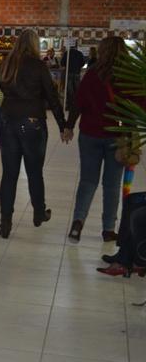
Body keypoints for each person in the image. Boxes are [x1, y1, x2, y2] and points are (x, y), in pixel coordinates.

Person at [0, 29, 69, 238]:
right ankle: (38, 212)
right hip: (32, 122)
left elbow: (1, 87)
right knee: (34, 171)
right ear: (35, 44)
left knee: (9, 174)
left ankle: (5, 222)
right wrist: (63, 124)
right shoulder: (39, 66)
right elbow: (52, 96)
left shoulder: (7, 63)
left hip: (7, 120)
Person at [65, 37, 129, 243]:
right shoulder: (128, 77)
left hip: (90, 134)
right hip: (116, 136)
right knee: (111, 185)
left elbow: (78, 102)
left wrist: (69, 126)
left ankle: (78, 222)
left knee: (88, 181)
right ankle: (109, 229)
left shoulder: (92, 74)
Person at [61, 40, 85, 113]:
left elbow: (62, 63)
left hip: (69, 73)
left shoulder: (67, 53)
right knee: (77, 90)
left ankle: (70, 106)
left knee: (69, 90)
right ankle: (77, 106)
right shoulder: (80, 53)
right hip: (77, 73)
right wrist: (77, 67)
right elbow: (83, 63)